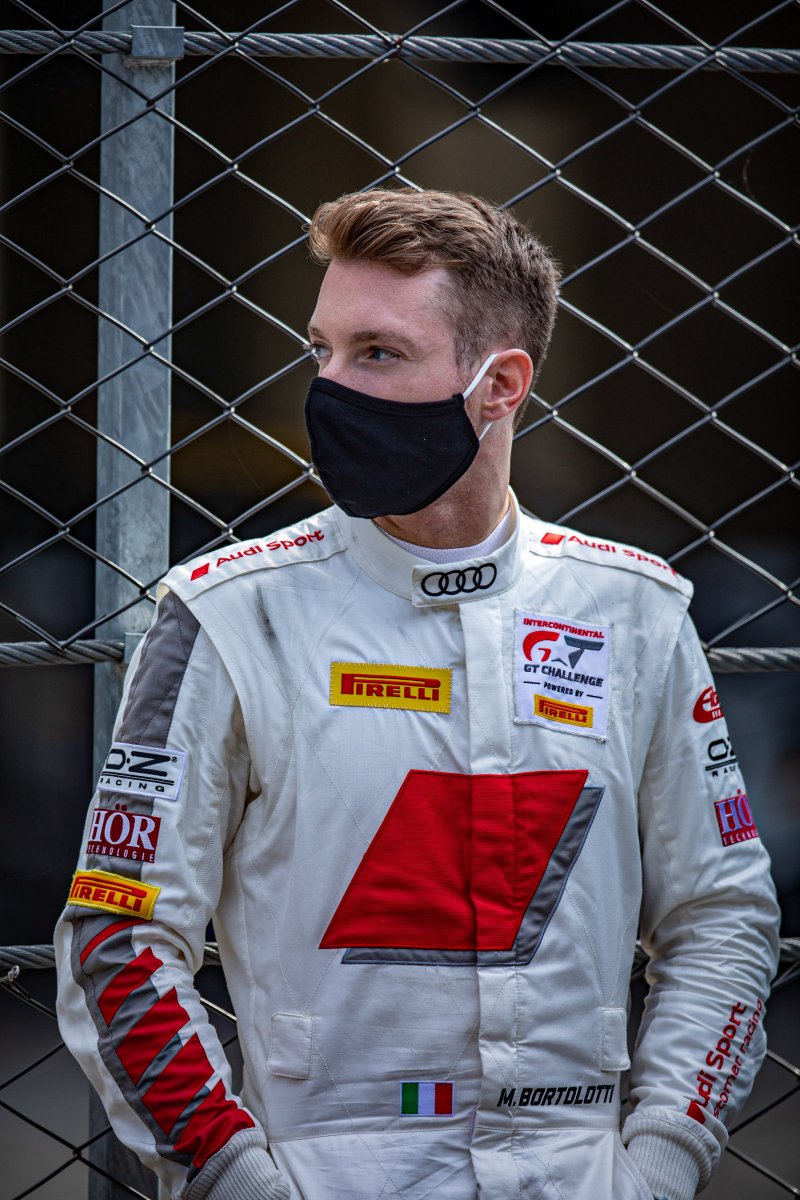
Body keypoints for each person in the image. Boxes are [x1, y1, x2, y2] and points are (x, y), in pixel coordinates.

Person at [55, 189, 780, 1200]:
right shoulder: (227, 614)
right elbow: (118, 937)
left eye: (378, 354)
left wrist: (659, 1164)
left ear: (500, 386)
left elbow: (722, 917)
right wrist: (236, 1178)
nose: (329, 388)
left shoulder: (634, 614)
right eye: (322, 351)